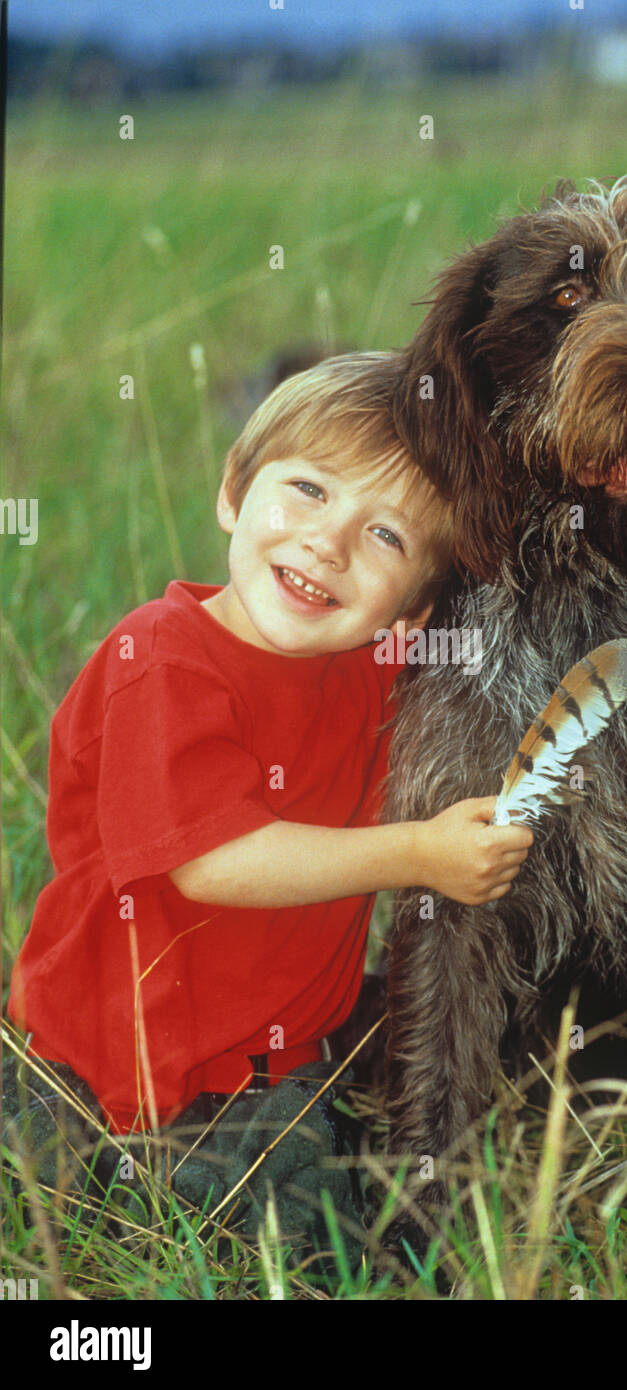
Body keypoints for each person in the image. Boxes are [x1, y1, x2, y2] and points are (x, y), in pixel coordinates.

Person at [5, 352, 532, 1274]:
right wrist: (417, 853)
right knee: (55, 1193)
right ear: (232, 495)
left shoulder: (378, 673)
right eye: (307, 490)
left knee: (331, 1234)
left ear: (413, 612)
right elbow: (214, 863)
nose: (328, 543)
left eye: (387, 538)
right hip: (108, 1062)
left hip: (273, 1060)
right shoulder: (162, 657)